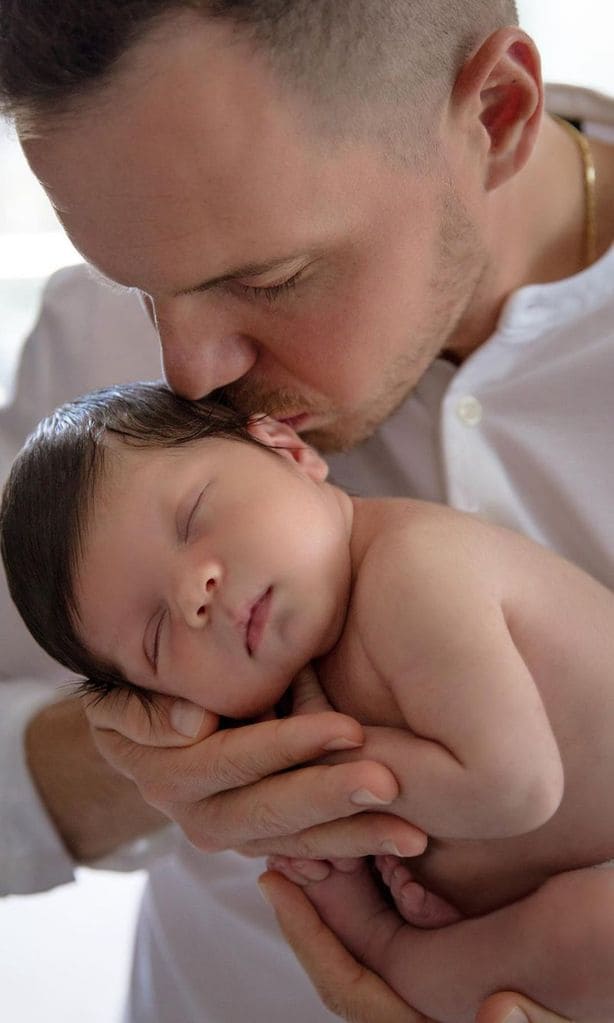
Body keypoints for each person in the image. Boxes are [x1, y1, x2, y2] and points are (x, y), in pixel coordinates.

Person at [0, 0, 613, 1019]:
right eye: (137, 290)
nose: (186, 373)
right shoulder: (87, 376)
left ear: (495, 114)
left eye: (270, 280)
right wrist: (134, 761)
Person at [3, 378, 614, 1022]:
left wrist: (312, 768)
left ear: (289, 451)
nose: (194, 595)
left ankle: (395, 958)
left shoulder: (415, 565)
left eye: (193, 518)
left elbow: (516, 786)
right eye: (158, 638)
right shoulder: (304, 677)